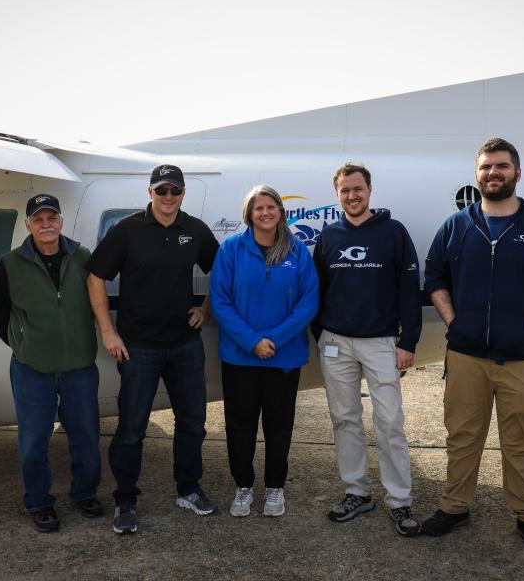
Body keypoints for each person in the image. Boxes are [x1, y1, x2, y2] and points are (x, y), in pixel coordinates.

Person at [422, 137, 524, 556]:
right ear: (477, 175)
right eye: (487, 167)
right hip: (466, 356)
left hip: (523, 358)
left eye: (502, 167)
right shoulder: (456, 225)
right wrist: (455, 322)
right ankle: (454, 507)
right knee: (462, 435)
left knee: (522, 440)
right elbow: (434, 277)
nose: (494, 173)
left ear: (517, 173)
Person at [88, 164, 219, 535]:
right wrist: (107, 331)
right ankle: (125, 499)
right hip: (138, 347)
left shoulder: (194, 230)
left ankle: (188, 488)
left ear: (182, 194)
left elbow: (223, 270)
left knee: (193, 423)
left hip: (184, 345)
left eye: (174, 191)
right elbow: (96, 276)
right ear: (150, 193)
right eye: (161, 191)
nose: (168, 197)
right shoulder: (128, 230)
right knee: (131, 428)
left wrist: (205, 307)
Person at [311, 163, 423, 537]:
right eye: (345, 191)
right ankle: (357, 492)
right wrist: (321, 336)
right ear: (337, 194)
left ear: (370, 190)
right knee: (345, 419)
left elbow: (410, 291)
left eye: (358, 189)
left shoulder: (393, 233)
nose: (352, 196)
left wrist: (408, 342)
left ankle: (399, 500)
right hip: (336, 343)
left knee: (390, 421)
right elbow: (318, 291)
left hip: (381, 343)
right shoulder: (329, 236)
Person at [0, 194, 102, 533]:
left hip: (79, 366)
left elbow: (97, 300)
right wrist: (24, 345)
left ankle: (84, 494)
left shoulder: (82, 257)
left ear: (61, 221)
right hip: (32, 369)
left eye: (51, 217)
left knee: (85, 435)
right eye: (38, 219)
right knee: (34, 440)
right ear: (28, 225)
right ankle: (38, 502)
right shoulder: (9, 264)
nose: (46, 224)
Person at [209, 185, 319, 518]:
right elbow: (220, 301)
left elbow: (308, 301)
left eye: (271, 207)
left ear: (281, 212)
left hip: (283, 357)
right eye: (259, 208)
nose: (265, 213)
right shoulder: (231, 250)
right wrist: (252, 341)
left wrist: (274, 339)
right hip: (240, 356)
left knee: (279, 425)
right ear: (249, 214)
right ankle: (243, 486)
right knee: (239, 425)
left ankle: (275, 488)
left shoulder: (297, 252)